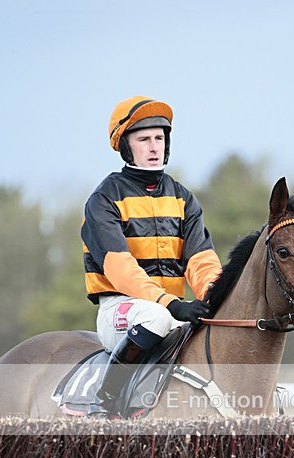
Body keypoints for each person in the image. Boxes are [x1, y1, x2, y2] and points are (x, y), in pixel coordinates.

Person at [81, 95, 222, 416]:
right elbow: (120, 268)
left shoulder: (182, 197)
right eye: (144, 139)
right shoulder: (104, 198)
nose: (154, 146)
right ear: (126, 146)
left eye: (159, 138)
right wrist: (170, 304)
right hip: (121, 308)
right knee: (155, 317)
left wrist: (215, 298)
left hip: (174, 309)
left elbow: (201, 260)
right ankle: (103, 404)